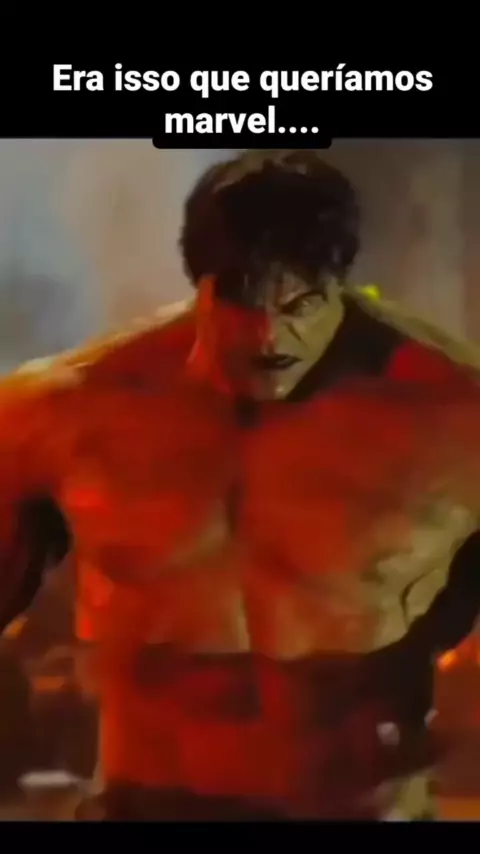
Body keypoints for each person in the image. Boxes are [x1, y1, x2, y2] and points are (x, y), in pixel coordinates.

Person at [1, 149, 480, 820]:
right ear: (200, 283)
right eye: (241, 301)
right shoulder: (61, 411)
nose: (269, 334)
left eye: (300, 304)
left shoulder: (455, 420)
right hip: (146, 805)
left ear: (341, 284)